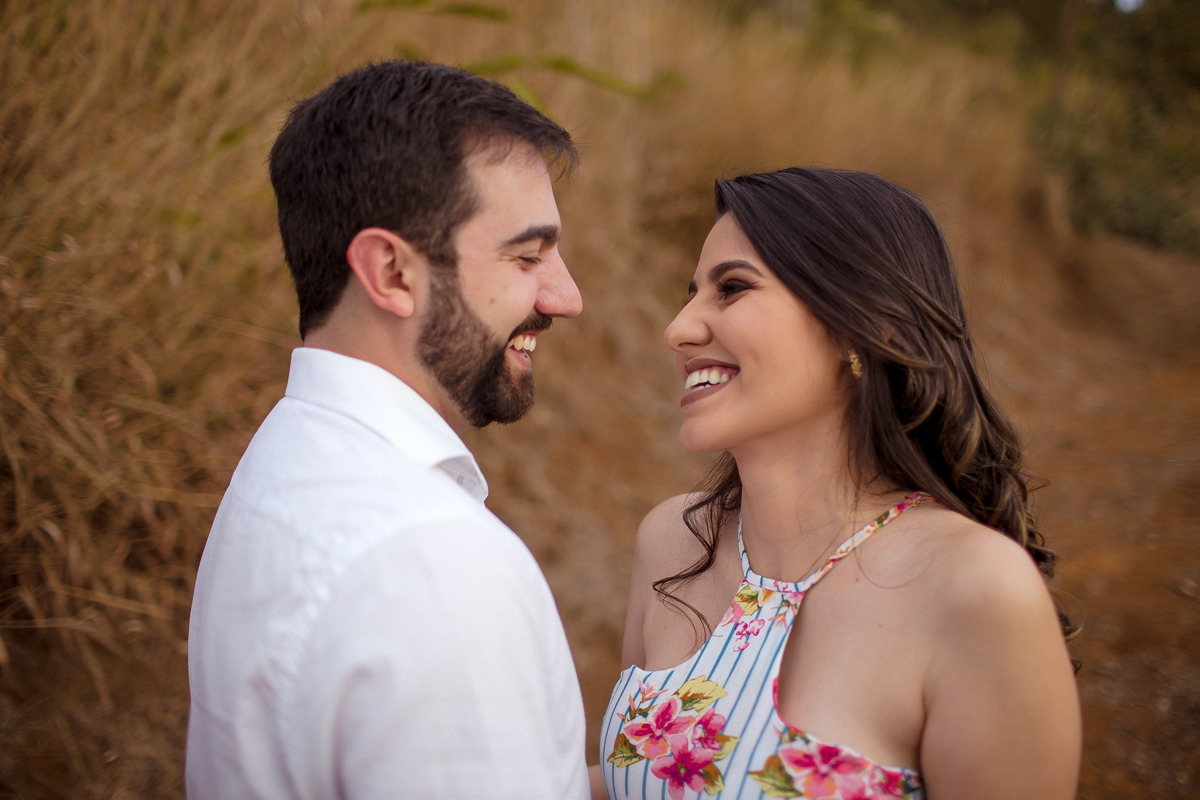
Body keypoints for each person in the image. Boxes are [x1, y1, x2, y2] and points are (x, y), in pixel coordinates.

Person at [597, 168, 1081, 799]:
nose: (679, 329)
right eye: (690, 294)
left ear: (862, 324)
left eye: (733, 288)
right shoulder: (674, 540)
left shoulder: (975, 586)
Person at [186, 60, 590, 799]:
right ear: (392, 273)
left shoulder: (283, 464)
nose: (568, 297)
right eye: (527, 256)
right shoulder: (434, 566)